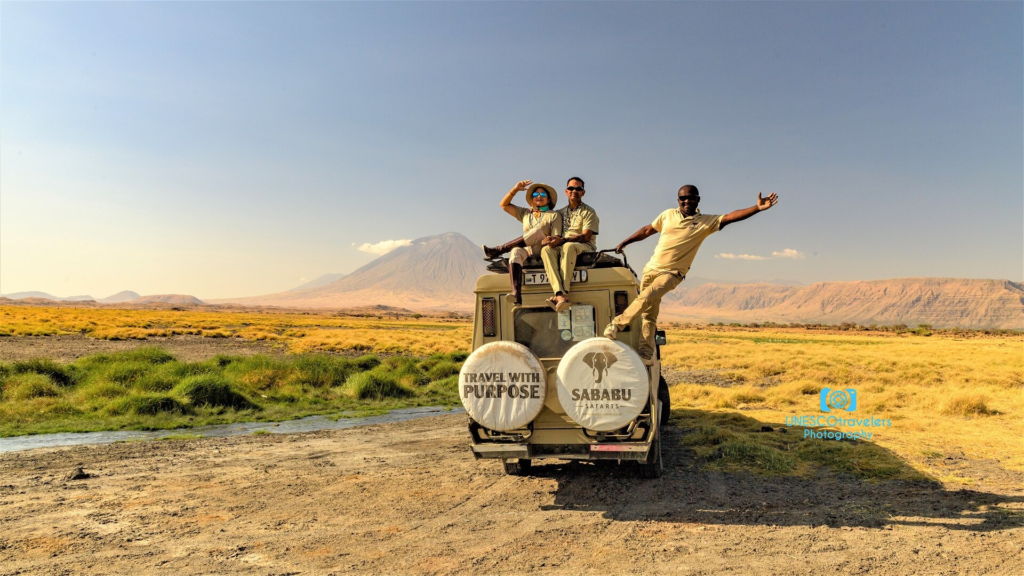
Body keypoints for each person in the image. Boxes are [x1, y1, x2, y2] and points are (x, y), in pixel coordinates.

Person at [603, 184, 779, 359]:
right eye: (683, 198)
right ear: (678, 200)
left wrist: (757, 208)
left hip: (672, 273)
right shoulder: (667, 215)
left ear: (698, 200)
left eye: (691, 197)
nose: (687, 201)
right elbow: (647, 230)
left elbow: (731, 217)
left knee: (647, 296)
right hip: (650, 269)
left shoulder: (705, 222)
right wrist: (625, 242)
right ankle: (646, 355)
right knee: (649, 314)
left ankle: (616, 325)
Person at [482, 180, 563, 305]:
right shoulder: (526, 213)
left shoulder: (554, 215)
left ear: (548, 200)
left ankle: (499, 250)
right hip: (529, 250)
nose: (539, 197)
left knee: (535, 231)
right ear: (531, 199)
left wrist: (550, 239)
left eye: (543, 195)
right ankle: (516, 295)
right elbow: (504, 205)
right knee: (515, 252)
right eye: (536, 195)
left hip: (545, 249)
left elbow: (557, 236)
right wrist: (515, 189)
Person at [540, 177, 599, 312]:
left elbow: (586, 236)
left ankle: (564, 291)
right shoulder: (559, 213)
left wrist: (563, 240)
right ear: (566, 191)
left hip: (584, 246)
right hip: (563, 245)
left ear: (583, 192)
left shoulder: (588, 212)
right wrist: (549, 239)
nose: (574, 191)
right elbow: (556, 234)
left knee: (568, 246)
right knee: (546, 250)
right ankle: (559, 294)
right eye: (571, 188)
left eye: (578, 189)